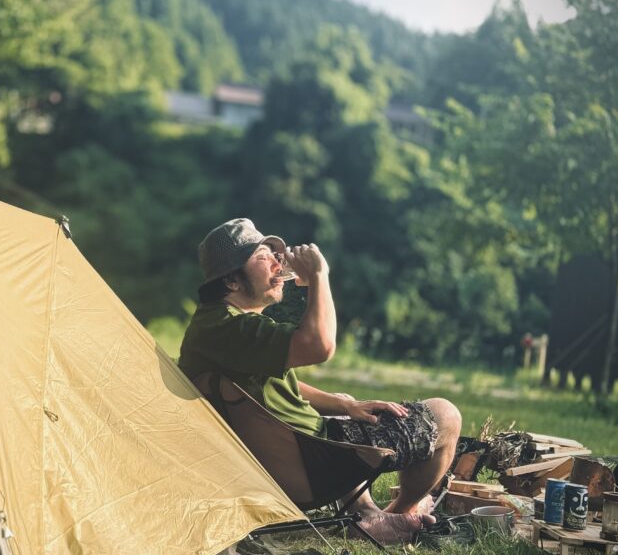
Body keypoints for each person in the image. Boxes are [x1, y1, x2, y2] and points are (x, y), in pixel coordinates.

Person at [178, 218, 462, 544]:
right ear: (231, 279)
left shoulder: (217, 326)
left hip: (297, 455)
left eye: (276, 254)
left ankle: (367, 514)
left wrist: (346, 404)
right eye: (262, 257)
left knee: (340, 398)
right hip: (313, 465)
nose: (277, 262)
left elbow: (266, 386)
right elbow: (320, 345)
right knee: (446, 415)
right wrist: (318, 276)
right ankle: (398, 512)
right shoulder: (229, 329)